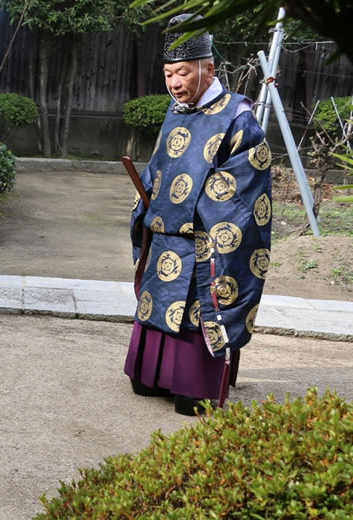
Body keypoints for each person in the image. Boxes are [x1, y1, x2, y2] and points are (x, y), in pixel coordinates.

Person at [123, 14, 272, 416]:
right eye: (169, 73)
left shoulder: (239, 117)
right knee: (154, 313)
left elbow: (245, 186)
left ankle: (195, 384)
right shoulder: (177, 111)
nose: (174, 83)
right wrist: (150, 196)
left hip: (206, 242)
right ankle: (152, 374)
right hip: (165, 233)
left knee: (196, 318)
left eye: (182, 73)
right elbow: (160, 165)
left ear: (208, 69)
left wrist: (189, 207)